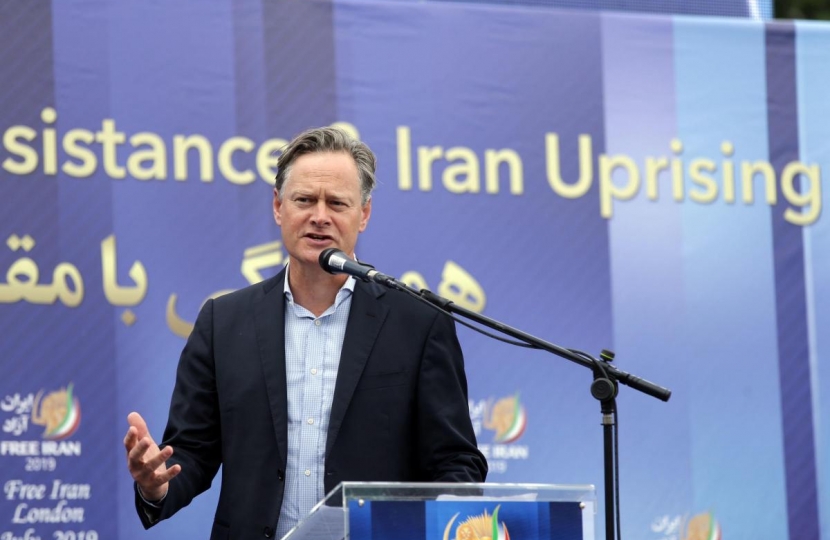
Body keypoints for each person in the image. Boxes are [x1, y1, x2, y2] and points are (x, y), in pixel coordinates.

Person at [123, 127, 487, 539]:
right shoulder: (222, 322)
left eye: (337, 203)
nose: (319, 216)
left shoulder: (419, 322)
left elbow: (456, 462)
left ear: (363, 214)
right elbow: (191, 453)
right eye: (304, 200)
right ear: (278, 207)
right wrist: (157, 485)